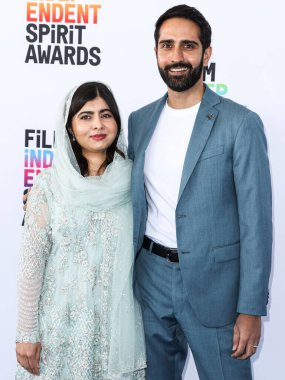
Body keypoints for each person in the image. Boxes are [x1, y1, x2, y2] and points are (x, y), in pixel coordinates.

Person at [128, 4, 272, 380]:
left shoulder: (240, 123)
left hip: (217, 291)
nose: (176, 56)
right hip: (149, 282)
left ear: (206, 53)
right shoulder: (139, 120)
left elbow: (257, 222)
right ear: (156, 52)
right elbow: (117, 187)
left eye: (188, 46)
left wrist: (251, 307)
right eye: (167, 45)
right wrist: (47, 196)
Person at [16, 82, 146, 379]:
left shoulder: (137, 182)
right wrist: (25, 332)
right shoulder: (48, 185)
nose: (98, 124)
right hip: (59, 332)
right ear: (70, 128)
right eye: (85, 116)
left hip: (119, 335)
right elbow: (31, 264)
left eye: (106, 114)